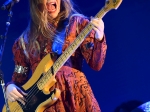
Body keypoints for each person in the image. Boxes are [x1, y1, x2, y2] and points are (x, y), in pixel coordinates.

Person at [5, 0, 107, 111]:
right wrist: (10, 87)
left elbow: (96, 64)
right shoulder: (24, 42)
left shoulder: (77, 24)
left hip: (76, 97)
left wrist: (99, 38)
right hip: (46, 106)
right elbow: (18, 79)